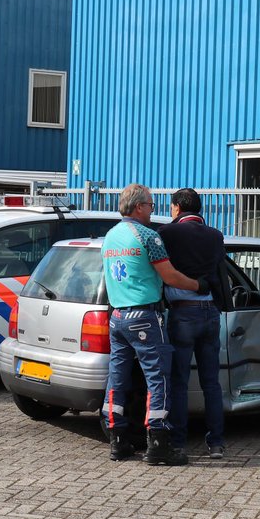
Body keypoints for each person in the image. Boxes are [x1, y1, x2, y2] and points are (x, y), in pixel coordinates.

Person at [101, 184, 207, 465]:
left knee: (117, 378)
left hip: (117, 318)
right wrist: (198, 284)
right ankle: (158, 444)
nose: (153, 210)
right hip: (144, 317)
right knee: (158, 378)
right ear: (138, 207)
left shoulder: (110, 237)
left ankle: (117, 440)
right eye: (150, 205)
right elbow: (170, 276)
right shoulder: (147, 236)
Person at [158, 188, 227, 462]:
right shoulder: (215, 235)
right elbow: (219, 272)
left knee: (179, 382)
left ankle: (178, 443)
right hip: (211, 313)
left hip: (182, 313)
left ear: (176, 207)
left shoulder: (168, 233)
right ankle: (216, 444)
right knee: (212, 382)